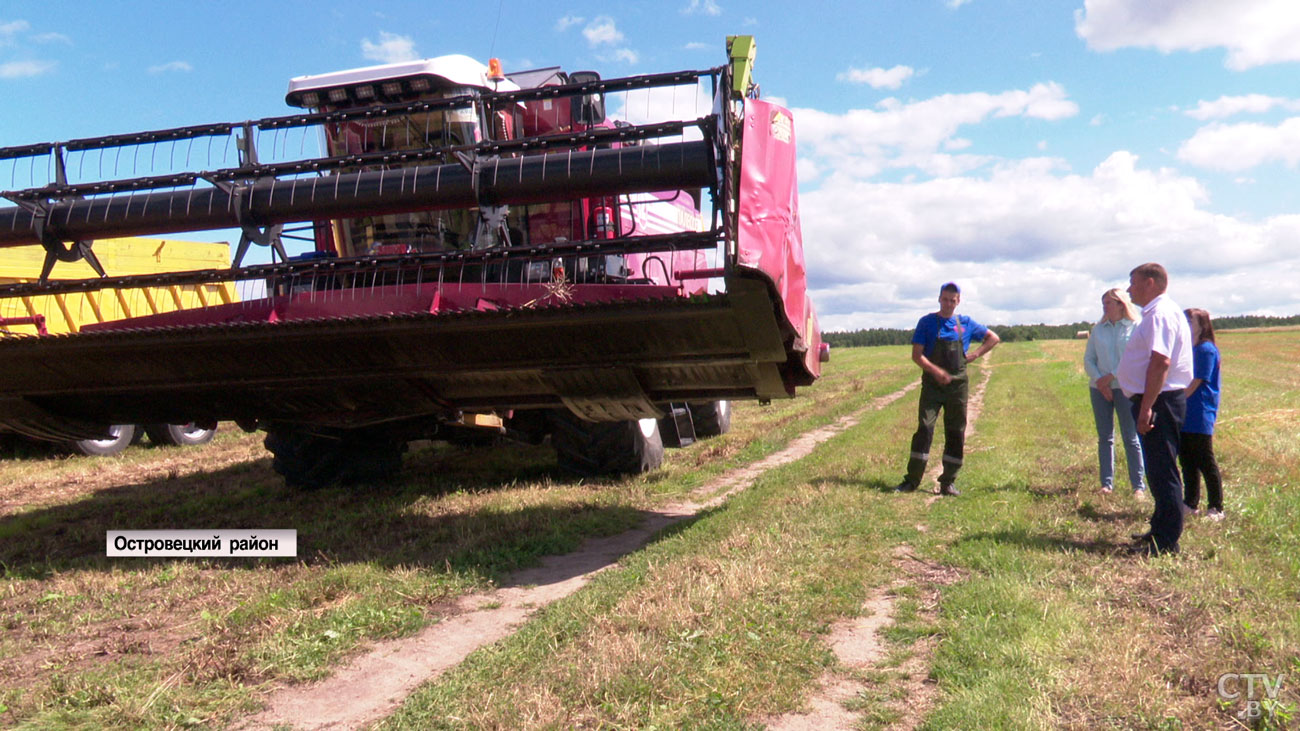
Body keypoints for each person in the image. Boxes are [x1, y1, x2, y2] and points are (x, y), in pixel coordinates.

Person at [1116, 263, 1193, 556]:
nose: (1129, 289)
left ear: (1150, 282)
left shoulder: (1160, 315)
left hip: (1159, 401)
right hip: (1159, 400)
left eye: (1132, 282)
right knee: (1158, 470)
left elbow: (1160, 363)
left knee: (1163, 471)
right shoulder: (1159, 313)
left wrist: (1146, 407)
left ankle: (1165, 542)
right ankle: (1159, 530)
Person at [895, 282, 1000, 496]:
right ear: (939, 299)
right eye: (945, 299)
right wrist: (936, 371)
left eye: (953, 300)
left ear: (958, 301)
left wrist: (975, 355)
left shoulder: (966, 323)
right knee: (925, 428)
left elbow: (993, 338)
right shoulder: (926, 322)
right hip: (932, 386)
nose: (948, 304)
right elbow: (917, 355)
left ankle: (948, 482)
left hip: (957, 387)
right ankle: (912, 481)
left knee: (955, 432)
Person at [1083, 288, 1147, 495]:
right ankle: (1106, 484)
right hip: (1099, 389)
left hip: (1125, 388)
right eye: (1103, 303)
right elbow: (1089, 359)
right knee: (1105, 437)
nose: (1105, 306)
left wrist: (1110, 376)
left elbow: (1133, 359)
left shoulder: (1135, 327)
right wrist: (1100, 382)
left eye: (1109, 302)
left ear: (1121, 304)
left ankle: (1138, 486)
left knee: (1130, 437)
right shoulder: (1098, 330)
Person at [1180, 308, 1224, 521]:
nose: (1186, 324)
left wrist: (1176, 401)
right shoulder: (1190, 349)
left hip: (1200, 412)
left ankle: (1216, 507)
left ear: (1202, 325)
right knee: (1187, 460)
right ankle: (1190, 503)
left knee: (1205, 460)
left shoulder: (1205, 349)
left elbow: (1196, 381)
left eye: (1190, 321)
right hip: (1186, 413)